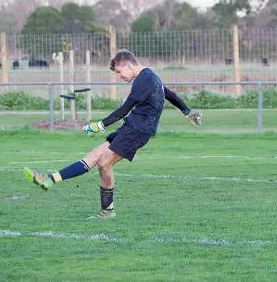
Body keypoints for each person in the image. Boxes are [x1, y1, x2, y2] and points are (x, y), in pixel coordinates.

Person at [23, 49, 202, 219]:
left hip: (137, 131)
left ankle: (107, 211)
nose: (120, 76)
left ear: (129, 65)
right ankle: (49, 180)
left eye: (119, 71)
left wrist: (100, 125)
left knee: (104, 163)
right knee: (95, 155)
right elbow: (170, 94)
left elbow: (125, 108)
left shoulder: (144, 79)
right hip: (131, 127)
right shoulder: (151, 77)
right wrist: (187, 112)